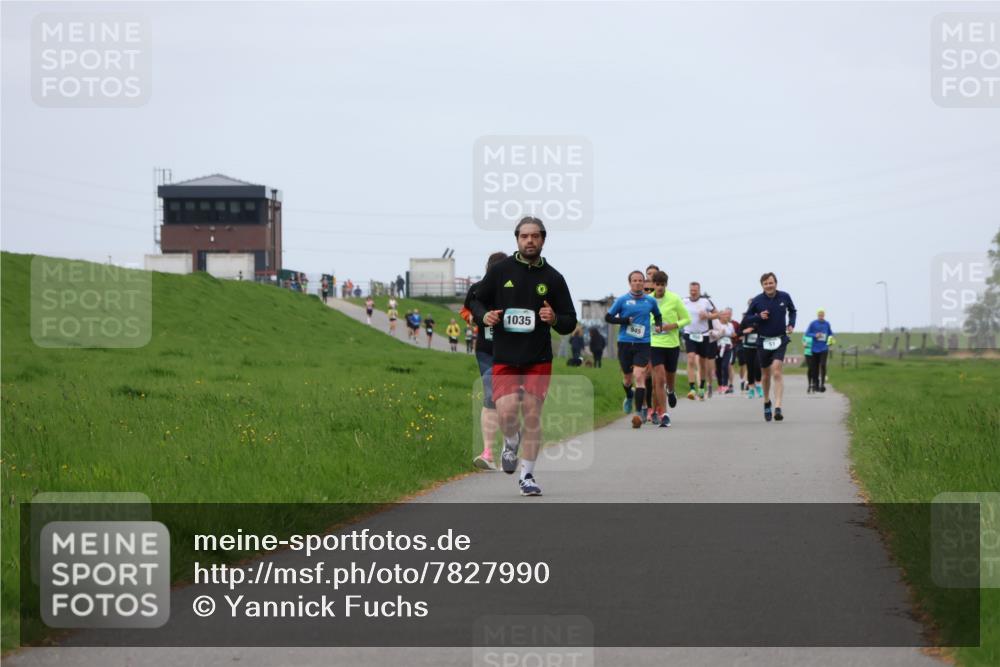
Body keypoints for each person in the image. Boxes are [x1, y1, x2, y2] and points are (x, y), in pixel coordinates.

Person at [470, 217, 577, 496]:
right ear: (517, 239)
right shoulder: (500, 271)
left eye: (535, 236)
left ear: (543, 239)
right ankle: (510, 440)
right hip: (505, 356)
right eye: (524, 236)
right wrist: (485, 316)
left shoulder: (554, 278)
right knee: (506, 413)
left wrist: (554, 318)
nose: (529, 241)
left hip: (538, 358)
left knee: (531, 414)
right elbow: (476, 300)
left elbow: (569, 320)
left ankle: (527, 476)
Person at [462, 252, 508, 470]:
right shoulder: (477, 289)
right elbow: (466, 308)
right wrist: (471, 317)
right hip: (486, 351)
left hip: (512, 352)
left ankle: (510, 444)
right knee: (491, 392)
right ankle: (488, 452)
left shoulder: (514, 289)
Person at [605, 270, 663, 426]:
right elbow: (608, 317)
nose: (637, 283)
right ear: (630, 283)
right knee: (627, 379)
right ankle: (629, 396)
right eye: (634, 280)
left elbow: (658, 315)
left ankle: (638, 414)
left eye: (640, 280)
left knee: (639, 376)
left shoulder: (650, 301)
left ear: (644, 283)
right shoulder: (622, 300)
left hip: (643, 343)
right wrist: (624, 320)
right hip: (624, 342)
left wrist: (658, 325)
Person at [742, 272, 797, 422]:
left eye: (771, 282)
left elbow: (793, 311)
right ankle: (767, 401)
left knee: (777, 371)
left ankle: (778, 407)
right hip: (763, 341)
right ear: (762, 286)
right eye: (766, 283)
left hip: (780, 339)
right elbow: (746, 319)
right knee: (765, 375)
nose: (769, 285)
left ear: (776, 283)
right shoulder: (757, 300)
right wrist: (758, 317)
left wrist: (791, 324)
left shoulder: (784, 296)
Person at [648, 270, 691, 427]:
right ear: (653, 285)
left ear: (666, 285)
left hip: (672, 344)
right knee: (659, 379)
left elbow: (687, 318)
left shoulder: (674, 299)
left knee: (669, 378)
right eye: (657, 284)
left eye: (662, 285)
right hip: (654, 344)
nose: (659, 287)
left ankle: (671, 391)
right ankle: (664, 414)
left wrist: (674, 325)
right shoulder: (648, 300)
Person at [681, 282, 718, 401]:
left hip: (703, 335)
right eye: (691, 290)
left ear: (699, 290)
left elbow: (717, 314)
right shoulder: (684, 301)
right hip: (689, 334)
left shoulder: (706, 302)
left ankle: (701, 387)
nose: (693, 292)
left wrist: (707, 316)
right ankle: (692, 388)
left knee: (702, 363)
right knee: (691, 358)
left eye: (695, 290)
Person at [806, 309, 834, 392]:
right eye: (819, 315)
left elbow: (830, 334)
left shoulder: (827, 324)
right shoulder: (813, 323)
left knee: (823, 365)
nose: (821, 316)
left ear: (824, 315)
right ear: (817, 315)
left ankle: (822, 384)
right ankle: (816, 384)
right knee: (815, 368)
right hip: (814, 349)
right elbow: (807, 333)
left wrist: (830, 341)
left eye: (822, 315)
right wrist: (815, 335)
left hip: (824, 348)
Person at [740, 299, 764, 398]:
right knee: (750, 368)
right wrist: (745, 331)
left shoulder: (762, 316)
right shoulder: (746, 317)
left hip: (758, 346)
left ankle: (758, 385)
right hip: (747, 346)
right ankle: (751, 389)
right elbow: (739, 331)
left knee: (757, 366)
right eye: (750, 305)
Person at [711, 308, 737, 393]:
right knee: (718, 367)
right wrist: (720, 333)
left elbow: (733, 334)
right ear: (720, 316)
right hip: (718, 348)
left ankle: (725, 385)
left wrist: (732, 335)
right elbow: (713, 335)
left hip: (728, 348)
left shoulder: (730, 325)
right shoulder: (716, 325)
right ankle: (720, 385)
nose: (726, 316)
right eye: (724, 315)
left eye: (727, 315)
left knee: (725, 366)